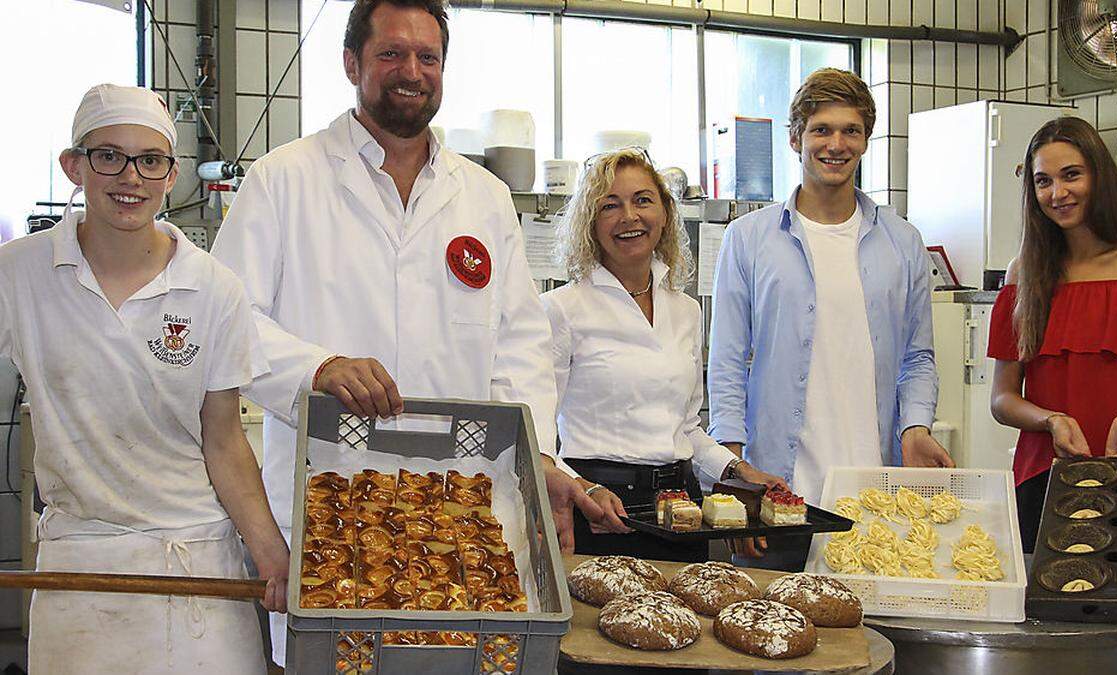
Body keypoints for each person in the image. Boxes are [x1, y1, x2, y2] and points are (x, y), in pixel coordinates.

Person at [209, 0, 608, 664]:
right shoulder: (284, 180)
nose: (411, 71)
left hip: (463, 518)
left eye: (428, 57)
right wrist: (318, 366)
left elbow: (519, 347)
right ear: (351, 63)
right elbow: (228, 320)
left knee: (453, 655)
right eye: (391, 53)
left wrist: (536, 457)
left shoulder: (481, 196)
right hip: (330, 503)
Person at [0, 84, 288, 673]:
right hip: (80, 559)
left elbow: (224, 439)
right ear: (73, 166)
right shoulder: (19, 274)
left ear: (170, 174)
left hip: (197, 558)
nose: (129, 176)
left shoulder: (214, 288)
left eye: (149, 160)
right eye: (109, 155)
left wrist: (272, 555)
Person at [707, 68, 952, 571]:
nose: (836, 144)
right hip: (777, 491)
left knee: (871, 640)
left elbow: (918, 356)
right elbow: (727, 363)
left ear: (865, 140)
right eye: (821, 130)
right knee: (771, 631)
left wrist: (916, 428)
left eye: (850, 131)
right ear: (796, 138)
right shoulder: (749, 238)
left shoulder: (903, 241)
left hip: (874, 491)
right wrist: (731, 473)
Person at [542, 148, 787, 564]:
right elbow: (538, 433)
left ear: (666, 213)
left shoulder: (685, 310)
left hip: (680, 509)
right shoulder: (561, 309)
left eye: (642, 200)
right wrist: (582, 488)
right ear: (590, 222)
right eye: (609, 205)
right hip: (599, 508)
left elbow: (687, 429)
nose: (629, 217)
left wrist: (739, 472)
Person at [988, 116, 1117, 552]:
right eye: (1043, 181)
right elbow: (1002, 399)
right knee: (1044, 612)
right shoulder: (1024, 275)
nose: (1057, 193)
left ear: (1099, 176)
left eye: (1071, 175)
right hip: (1046, 480)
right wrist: (1050, 420)